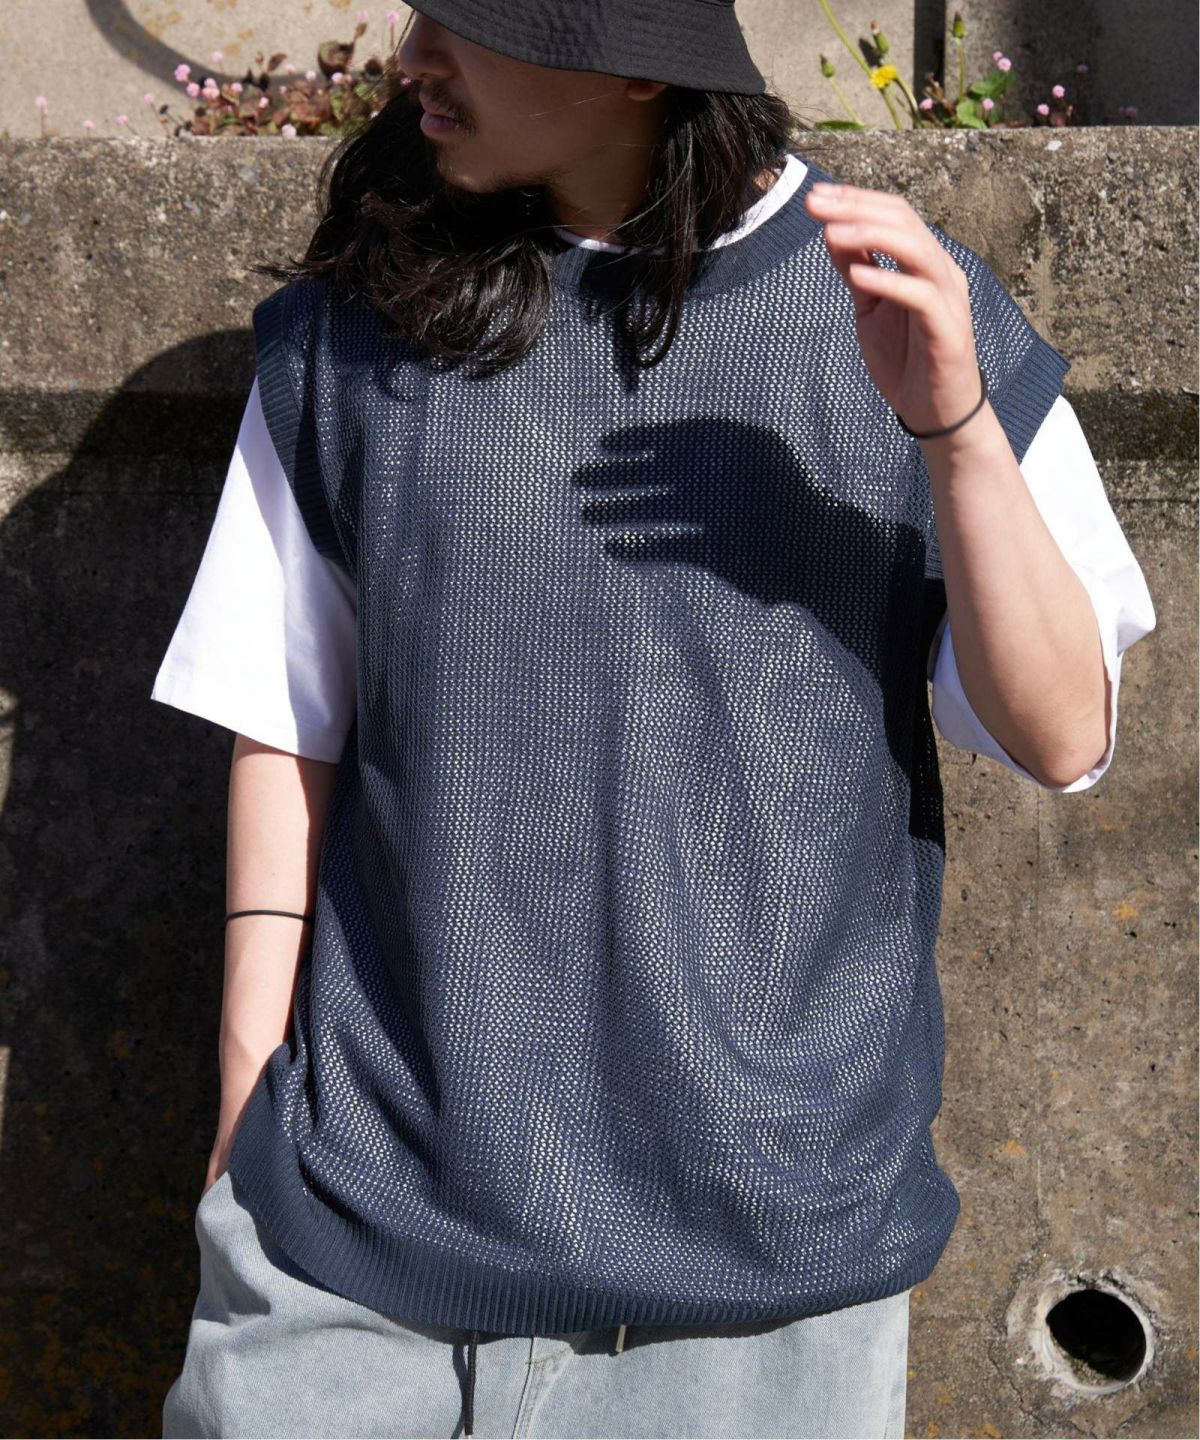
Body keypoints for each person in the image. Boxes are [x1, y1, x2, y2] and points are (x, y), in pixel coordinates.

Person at [153, 2, 1157, 1436]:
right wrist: (246, 1107)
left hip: (763, 1282)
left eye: (469, 20)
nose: (412, 55)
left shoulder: (897, 307)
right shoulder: (355, 328)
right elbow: (285, 726)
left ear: (639, 61)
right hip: (350, 1259)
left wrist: (953, 428)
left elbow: (1064, 737)